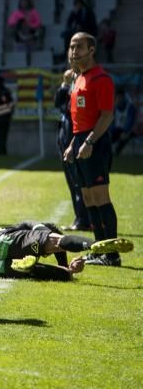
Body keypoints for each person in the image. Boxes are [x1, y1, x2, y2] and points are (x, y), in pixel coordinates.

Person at [63, 33, 121, 266]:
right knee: (87, 198)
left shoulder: (101, 78)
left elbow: (107, 116)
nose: (74, 51)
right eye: (71, 46)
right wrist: (72, 144)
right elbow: (78, 118)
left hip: (94, 144)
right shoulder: (79, 78)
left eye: (79, 47)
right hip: (79, 142)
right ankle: (98, 250)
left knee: (100, 196)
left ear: (92, 50)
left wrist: (89, 142)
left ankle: (112, 254)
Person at [0, 221, 132, 281]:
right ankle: (92, 245)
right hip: (0, 241)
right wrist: (65, 264)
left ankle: (24, 265)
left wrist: (68, 270)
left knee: (57, 274)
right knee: (58, 242)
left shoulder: (24, 232)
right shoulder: (38, 229)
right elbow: (58, 242)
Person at [56, 67, 90, 230]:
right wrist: (64, 84)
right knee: (72, 181)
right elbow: (58, 103)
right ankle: (81, 218)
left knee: (79, 181)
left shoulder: (83, 82)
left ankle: (85, 220)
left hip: (75, 137)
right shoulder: (70, 83)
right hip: (65, 137)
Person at [111, 89, 136, 156]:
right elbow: (111, 121)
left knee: (126, 136)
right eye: (118, 97)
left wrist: (125, 131)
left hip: (127, 131)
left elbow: (130, 121)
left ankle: (117, 152)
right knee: (108, 136)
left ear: (124, 97)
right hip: (116, 130)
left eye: (121, 97)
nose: (119, 99)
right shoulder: (114, 108)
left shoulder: (130, 107)